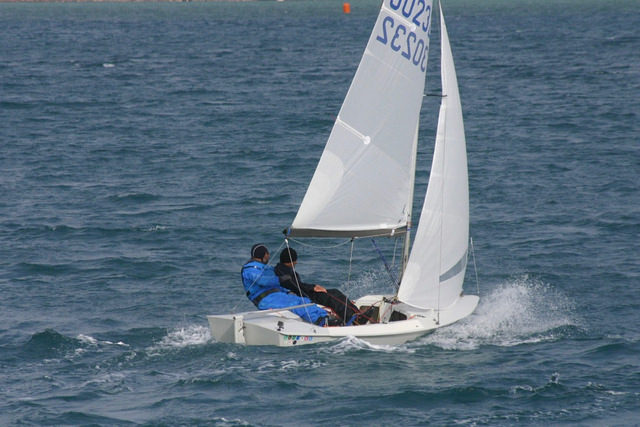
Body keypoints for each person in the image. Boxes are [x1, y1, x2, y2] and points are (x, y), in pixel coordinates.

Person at [241, 244, 340, 326]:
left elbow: (275, 286)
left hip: (277, 295)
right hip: (265, 299)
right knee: (296, 304)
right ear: (263, 255)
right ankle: (321, 321)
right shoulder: (249, 269)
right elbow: (262, 280)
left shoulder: (266, 268)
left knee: (304, 300)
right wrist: (280, 279)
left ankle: (325, 316)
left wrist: (287, 291)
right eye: (267, 254)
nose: (269, 256)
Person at [274, 247, 373, 326]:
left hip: (302, 293)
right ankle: (353, 319)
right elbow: (293, 284)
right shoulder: (283, 271)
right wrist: (312, 287)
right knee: (331, 296)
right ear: (293, 261)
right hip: (302, 296)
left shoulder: (281, 269)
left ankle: (357, 314)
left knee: (335, 292)